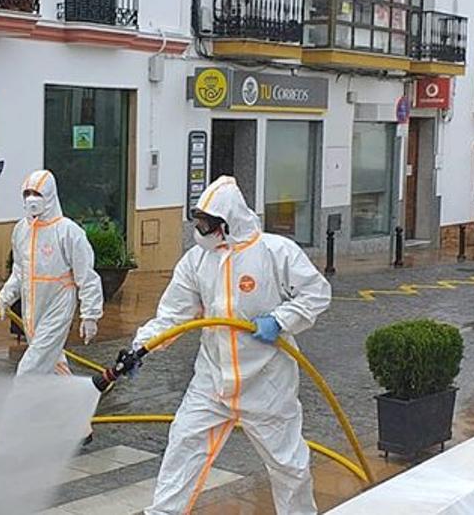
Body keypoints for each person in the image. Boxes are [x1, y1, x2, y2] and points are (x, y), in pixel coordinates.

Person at [126, 175, 331, 515]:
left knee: (288, 464)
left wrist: (281, 320)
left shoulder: (274, 252)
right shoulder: (197, 260)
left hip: (265, 382)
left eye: (205, 225)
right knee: (183, 446)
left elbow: (316, 293)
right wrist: (142, 345)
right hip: (212, 381)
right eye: (198, 223)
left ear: (226, 224)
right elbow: (173, 314)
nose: (199, 231)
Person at [0, 170, 103, 377]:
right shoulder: (21, 230)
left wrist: (90, 315)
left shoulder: (68, 231)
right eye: (27, 193)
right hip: (32, 306)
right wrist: (5, 298)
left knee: (31, 367)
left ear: (50, 195)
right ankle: (68, 397)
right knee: (50, 358)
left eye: (38, 193)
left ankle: (17, 406)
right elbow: (19, 270)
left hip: (58, 303)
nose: (32, 199)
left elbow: (87, 277)